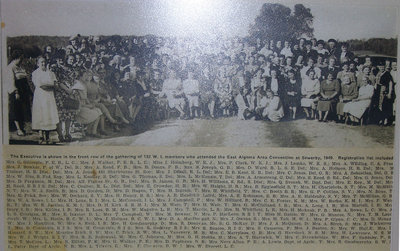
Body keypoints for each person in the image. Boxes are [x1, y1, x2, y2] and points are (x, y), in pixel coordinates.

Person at [31, 57, 60, 144]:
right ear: (38, 63)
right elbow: (41, 86)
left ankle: (47, 137)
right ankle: (41, 137)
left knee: (48, 115)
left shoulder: (51, 73)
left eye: (44, 62)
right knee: (41, 114)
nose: (43, 64)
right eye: (41, 62)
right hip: (40, 97)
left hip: (49, 97)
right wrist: (50, 86)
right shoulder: (35, 73)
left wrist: (50, 86)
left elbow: (56, 85)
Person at [7, 50, 33, 136]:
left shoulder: (21, 67)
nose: (22, 60)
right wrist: (16, 92)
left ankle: (23, 127)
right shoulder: (10, 67)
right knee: (16, 109)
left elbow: (25, 80)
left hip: (24, 90)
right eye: (20, 58)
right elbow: (11, 81)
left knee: (23, 109)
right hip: (16, 90)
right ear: (16, 58)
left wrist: (29, 92)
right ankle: (18, 129)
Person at [72, 71, 103, 138]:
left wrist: (90, 104)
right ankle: (90, 132)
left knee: (98, 110)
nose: (86, 77)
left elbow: (85, 99)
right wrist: (88, 105)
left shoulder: (82, 84)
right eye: (85, 75)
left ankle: (91, 132)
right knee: (96, 113)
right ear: (81, 76)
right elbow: (78, 102)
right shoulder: (77, 85)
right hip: (79, 108)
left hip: (84, 106)